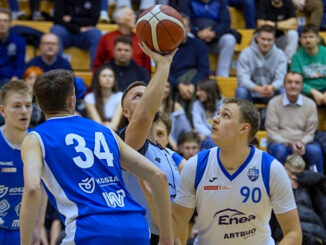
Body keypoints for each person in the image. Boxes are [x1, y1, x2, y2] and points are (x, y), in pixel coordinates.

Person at [19, 69, 174, 245]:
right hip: (135, 227)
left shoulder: (35, 138)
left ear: (38, 103)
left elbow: (32, 188)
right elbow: (158, 176)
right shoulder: (105, 131)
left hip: (90, 229)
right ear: (72, 100)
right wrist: (167, 238)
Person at [172, 98, 302, 245]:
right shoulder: (196, 166)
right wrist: (155, 200)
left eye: (225, 115)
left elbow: (294, 233)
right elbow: (175, 228)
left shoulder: (271, 169)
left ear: (243, 128)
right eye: (218, 114)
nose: (215, 119)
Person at [119, 43, 180, 244]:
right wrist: (163, 65)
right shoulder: (128, 141)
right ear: (126, 112)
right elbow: (144, 115)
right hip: (139, 237)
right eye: (138, 96)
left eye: (148, 93)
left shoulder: (169, 154)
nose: (146, 97)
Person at [0, 80, 43, 245]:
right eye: (17, 106)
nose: (24, 111)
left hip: (23, 230)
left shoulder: (38, 142)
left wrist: (38, 226)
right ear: (2, 111)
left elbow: (42, 189)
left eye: (28, 105)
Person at [265, 72, 323, 172]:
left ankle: (317, 184)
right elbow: (271, 132)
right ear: (284, 85)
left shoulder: (310, 104)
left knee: (315, 150)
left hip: (303, 144)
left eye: (297, 83)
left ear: (301, 86)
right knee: (279, 150)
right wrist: (289, 143)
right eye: (289, 82)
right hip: (280, 143)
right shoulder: (273, 103)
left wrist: (301, 143)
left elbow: (310, 132)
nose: (293, 86)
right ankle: (276, 184)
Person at [179, 0, 237, 77]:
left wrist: (214, 33)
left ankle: (222, 76)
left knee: (229, 39)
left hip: (216, 37)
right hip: (195, 36)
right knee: (185, 35)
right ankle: (189, 73)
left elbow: (225, 22)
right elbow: (184, 21)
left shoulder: (221, 2)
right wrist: (198, 32)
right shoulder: (187, 1)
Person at [169, 15, 209, 114]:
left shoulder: (199, 45)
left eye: (184, 26)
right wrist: (179, 85)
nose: (182, 29)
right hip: (173, 83)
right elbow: (163, 71)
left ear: (189, 29)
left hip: (193, 83)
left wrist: (192, 85)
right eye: (178, 26)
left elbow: (204, 70)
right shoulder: (166, 46)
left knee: (194, 74)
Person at [236, 25, 287, 103]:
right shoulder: (246, 53)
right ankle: (241, 115)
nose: (266, 43)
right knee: (241, 91)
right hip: (251, 92)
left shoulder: (280, 55)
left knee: (283, 91)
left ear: (274, 40)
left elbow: (280, 79)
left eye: (269, 40)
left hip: (271, 93)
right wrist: (258, 89)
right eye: (263, 39)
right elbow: (242, 79)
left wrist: (271, 87)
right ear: (257, 38)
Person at [93, 6, 151, 73]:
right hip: (114, 80)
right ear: (119, 19)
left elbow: (147, 68)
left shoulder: (141, 39)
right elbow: (98, 64)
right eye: (130, 15)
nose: (135, 17)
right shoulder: (106, 38)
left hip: (137, 80)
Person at [50, 0, 102, 69]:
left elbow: (93, 21)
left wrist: (71, 19)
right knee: (56, 30)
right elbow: (57, 20)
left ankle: (96, 72)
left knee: (96, 34)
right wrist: (78, 29)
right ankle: (57, 71)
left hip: (84, 35)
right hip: (66, 33)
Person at [291, 24, 326, 106]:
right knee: (294, 94)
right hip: (307, 91)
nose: (308, 40)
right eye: (304, 37)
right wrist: (313, 92)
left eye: (311, 37)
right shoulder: (296, 57)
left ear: (318, 39)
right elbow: (296, 80)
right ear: (300, 39)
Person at [85, 65, 123, 131]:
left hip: (116, 133)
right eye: (104, 76)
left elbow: (114, 125)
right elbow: (98, 124)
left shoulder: (120, 96)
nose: (108, 79)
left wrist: (108, 125)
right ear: (98, 79)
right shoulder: (89, 98)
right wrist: (108, 126)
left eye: (110, 76)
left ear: (114, 79)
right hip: (96, 132)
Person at [160, 82, 192, 148]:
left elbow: (187, 129)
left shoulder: (175, 106)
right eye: (162, 86)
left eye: (167, 87)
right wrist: (169, 139)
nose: (164, 89)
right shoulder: (149, 106)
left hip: (175, 145)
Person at [0, 8, 26, 87]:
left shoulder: (19, 41)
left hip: (9, 80)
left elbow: (20, 65)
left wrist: (15, 79)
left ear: (10, 23)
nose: (2, 24)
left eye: (5, 21)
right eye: (0, 20)